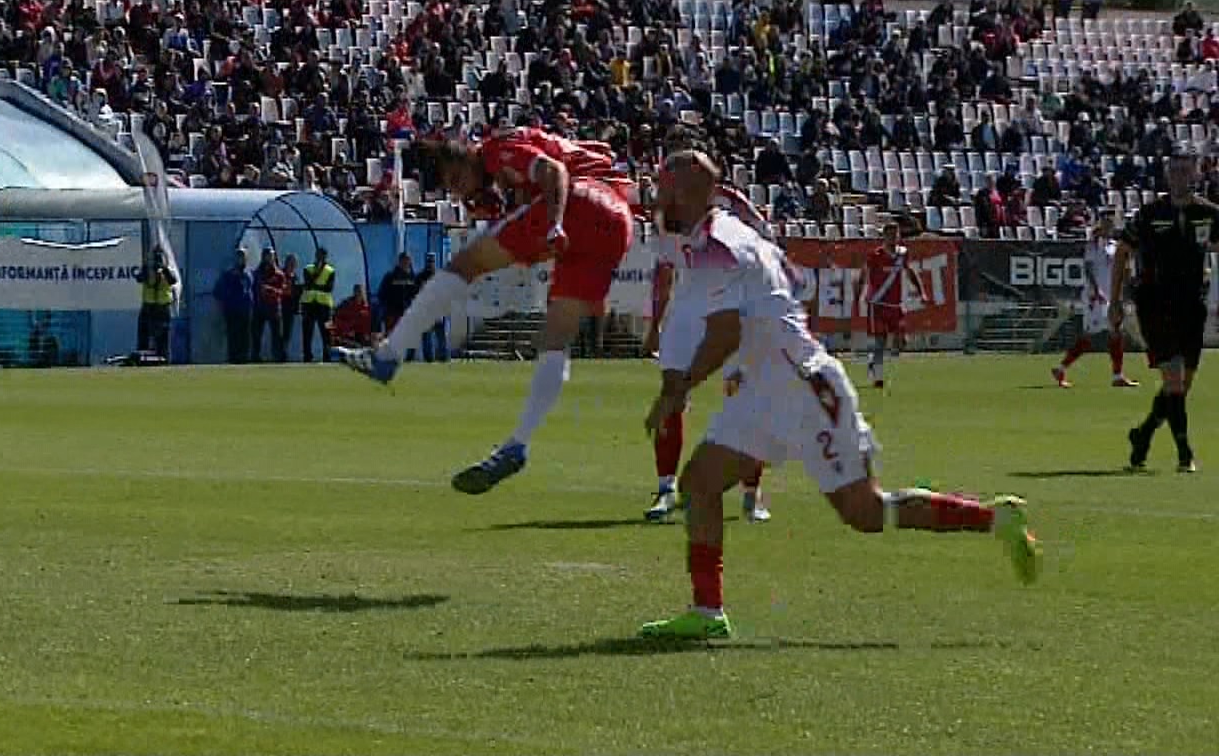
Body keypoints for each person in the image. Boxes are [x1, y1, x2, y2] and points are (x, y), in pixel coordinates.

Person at [638, 149, 1039, 641]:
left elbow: (723, 332)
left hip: (801, 387)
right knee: (699, 484)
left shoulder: (724, 245)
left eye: (664, 186)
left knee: (866, 513)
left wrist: (676, 391)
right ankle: (707, 612)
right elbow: (788, 285)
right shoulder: (720, 235)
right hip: (768, 387)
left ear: (687, 193)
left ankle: (996, 518)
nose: (657, 196)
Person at [343, 127, 634, 495]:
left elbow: (553, 173)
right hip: (616, 221)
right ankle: (517, 445)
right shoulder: (493, 182)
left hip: (580, 199)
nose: (458, 190)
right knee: (555, 338)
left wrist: (555, 223)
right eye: (450, 188)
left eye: (456, 178)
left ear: (467, 154)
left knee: (463, 265)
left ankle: (389, 355)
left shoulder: (498, 151)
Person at [642, 172, 773, 524]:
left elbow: (765, 253)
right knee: (672, 395)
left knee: (745, 398)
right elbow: (665, 271)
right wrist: (655, 323)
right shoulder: (666, 213)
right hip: (687, 314)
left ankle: (751, 492)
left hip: (733, 310)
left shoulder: (733, 205)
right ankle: (666, 488)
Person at [1111, 151, 1217, 473]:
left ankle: (1142, 436)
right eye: (1174, 171)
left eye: (1186, 171)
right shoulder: (1150, 213)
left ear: (1196, 175)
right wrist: (1115, 301)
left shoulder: (1209, 213)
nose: (1179, 176)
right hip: (1155, 306)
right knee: (1172, 378)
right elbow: (1122, 252)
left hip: (1192, 308)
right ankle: (1185, 455)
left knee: (1182, 385)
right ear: (1167, 175)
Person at [1051, 212, 1140, 390]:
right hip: (1096, 297)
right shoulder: (1094, 244)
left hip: (1111, 296)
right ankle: (1061, 368)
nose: (1110, 226)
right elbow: (1089, 268)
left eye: (1111, 223)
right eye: (1106, 223)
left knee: (1116, 332)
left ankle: (1117, 376)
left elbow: (1121, 268)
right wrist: (1095, 290)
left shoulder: (1114, 246)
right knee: (1091, 337)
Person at [861, 222, 924, 390]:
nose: (894, 238)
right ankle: (878, 378)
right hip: (878, 304)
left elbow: (909, 272)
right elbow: (864, 274)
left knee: (902, 341)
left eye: (897, 235)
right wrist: (862, 294)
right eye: (891, 235)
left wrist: (921, 292)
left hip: (895, 305)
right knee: (880, 341)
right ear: (884, 236)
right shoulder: (875, 255)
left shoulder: (902, 254)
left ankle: (873, 361)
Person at [213, 250, 254, 364]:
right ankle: (233, 358)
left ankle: (244, 358)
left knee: (245, 336)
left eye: (243, 257)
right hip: (232, 310)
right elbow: (217, 292)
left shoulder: (248, 274)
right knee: (233, 336)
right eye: (239, 257)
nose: (241, 260)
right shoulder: (228, 275)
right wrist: (225, 303)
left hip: (246, 310)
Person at [138, 246, 177, 361]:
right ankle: (142, 359)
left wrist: (164, 269)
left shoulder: (168, 270)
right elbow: (140, 278)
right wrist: (149, 270)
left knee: (163, 338)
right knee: (144, 336)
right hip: (148, 306)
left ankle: (164, 359)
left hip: (162, 306)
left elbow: (172, 281)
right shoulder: (147, 269)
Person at [299, 246, 337, 363]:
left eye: (322, 255)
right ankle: (307, 357)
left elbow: (328, 288)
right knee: (307, 332)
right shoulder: (308, 268)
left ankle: (328, 357)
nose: (320, 257)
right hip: (309, 304)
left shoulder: (331, 270)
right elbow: (308, 284)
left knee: (327, 332)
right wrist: (318, 272)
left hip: (324, 306)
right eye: (318, 255)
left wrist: (315, 284)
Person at [331, 285, 373, 353]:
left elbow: (369, 324)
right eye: (358, 292)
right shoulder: (346, 304)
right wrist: (346, 330)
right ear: (354, 292)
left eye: (361, 292)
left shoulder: (367, 307)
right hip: (347, 336)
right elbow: (335, 318)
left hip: (362, 337)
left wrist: (369, 335)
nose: (360, 294)